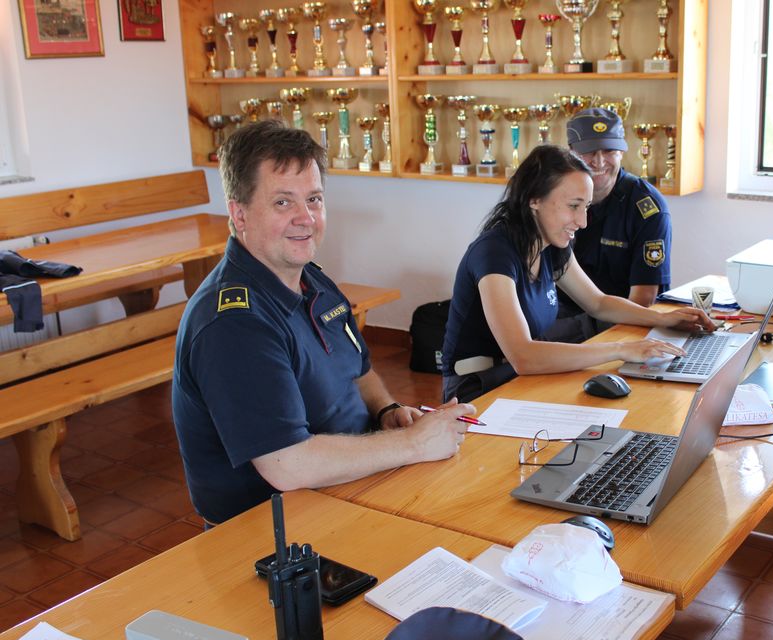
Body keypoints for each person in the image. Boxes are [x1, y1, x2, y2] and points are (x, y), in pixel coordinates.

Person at [172, 120, 474, 524]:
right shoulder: (233, 324)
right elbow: (288, 464)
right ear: (239, 214)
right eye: (283, 202)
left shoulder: (310, 279)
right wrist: (413, 444)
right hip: (273, 529)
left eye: (313, 199)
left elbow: (359, 371)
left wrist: (387, 411)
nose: (306, 218)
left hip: (348, 488)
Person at [440, 145, 714, 403]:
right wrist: (620, 349)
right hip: (477, 389)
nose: (582, 222)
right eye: (574, 206)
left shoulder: (551, 244)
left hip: (519, 378)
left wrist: (662, 319)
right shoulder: (495, 253)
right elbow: (523, 356)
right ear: (534, 199)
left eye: (586, 207)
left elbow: (598, 303)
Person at [551, 107, 674, 342]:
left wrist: (610, 347)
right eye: (589, 151)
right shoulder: (553, 196)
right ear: (571, 152)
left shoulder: (647, 207)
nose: (599, 161)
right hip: (561, 315)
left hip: (621, 323)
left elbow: (644, 299)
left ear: (622, 152)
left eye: (609, 151)